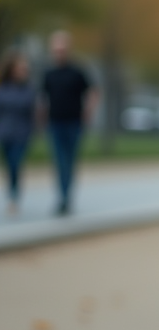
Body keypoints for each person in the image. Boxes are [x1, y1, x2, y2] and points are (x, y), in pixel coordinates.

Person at [40, 31, 96, 216]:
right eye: (56, 50)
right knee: (59, 161)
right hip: (55, 123)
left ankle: (66, 196)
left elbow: (92, 91)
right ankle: (63, 198)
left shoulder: (77, 71)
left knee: (70, 160)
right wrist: (41, 116)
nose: (59, 53)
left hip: (74, 122)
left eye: (62, 49)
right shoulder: (49, 73)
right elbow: (43, 97)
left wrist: (88, 112)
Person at [0, 52, 38, 216]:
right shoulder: (3, 88)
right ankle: (12, 193)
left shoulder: (28, 90)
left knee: (16, 163)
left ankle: (14, 197)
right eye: (20, 69)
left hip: (22, 133)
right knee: (9, 166)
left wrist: (34, 131)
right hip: (5, 132)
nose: (23, 72)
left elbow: (33, 113)